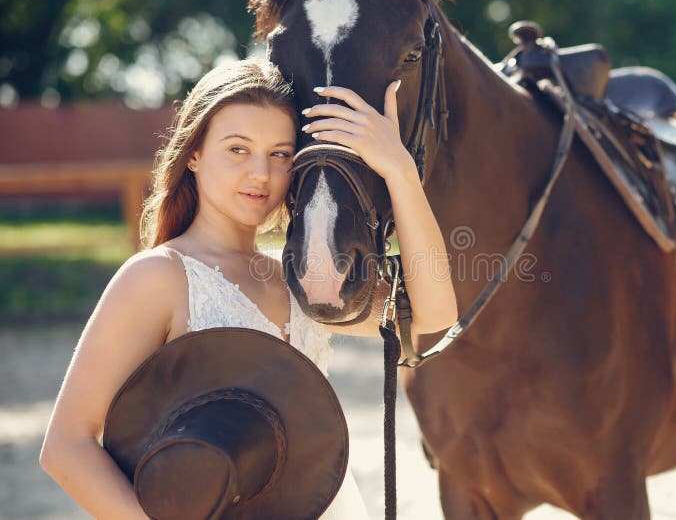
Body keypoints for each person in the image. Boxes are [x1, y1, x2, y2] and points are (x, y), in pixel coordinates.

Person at [39, 58, 458, 519]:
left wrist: (400, 172)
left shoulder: (299, 276)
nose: (261, 173)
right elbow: (66, 445)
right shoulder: (158, 277)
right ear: (193, 154)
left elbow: (432, 315)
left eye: (280, 153)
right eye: (238, 149)